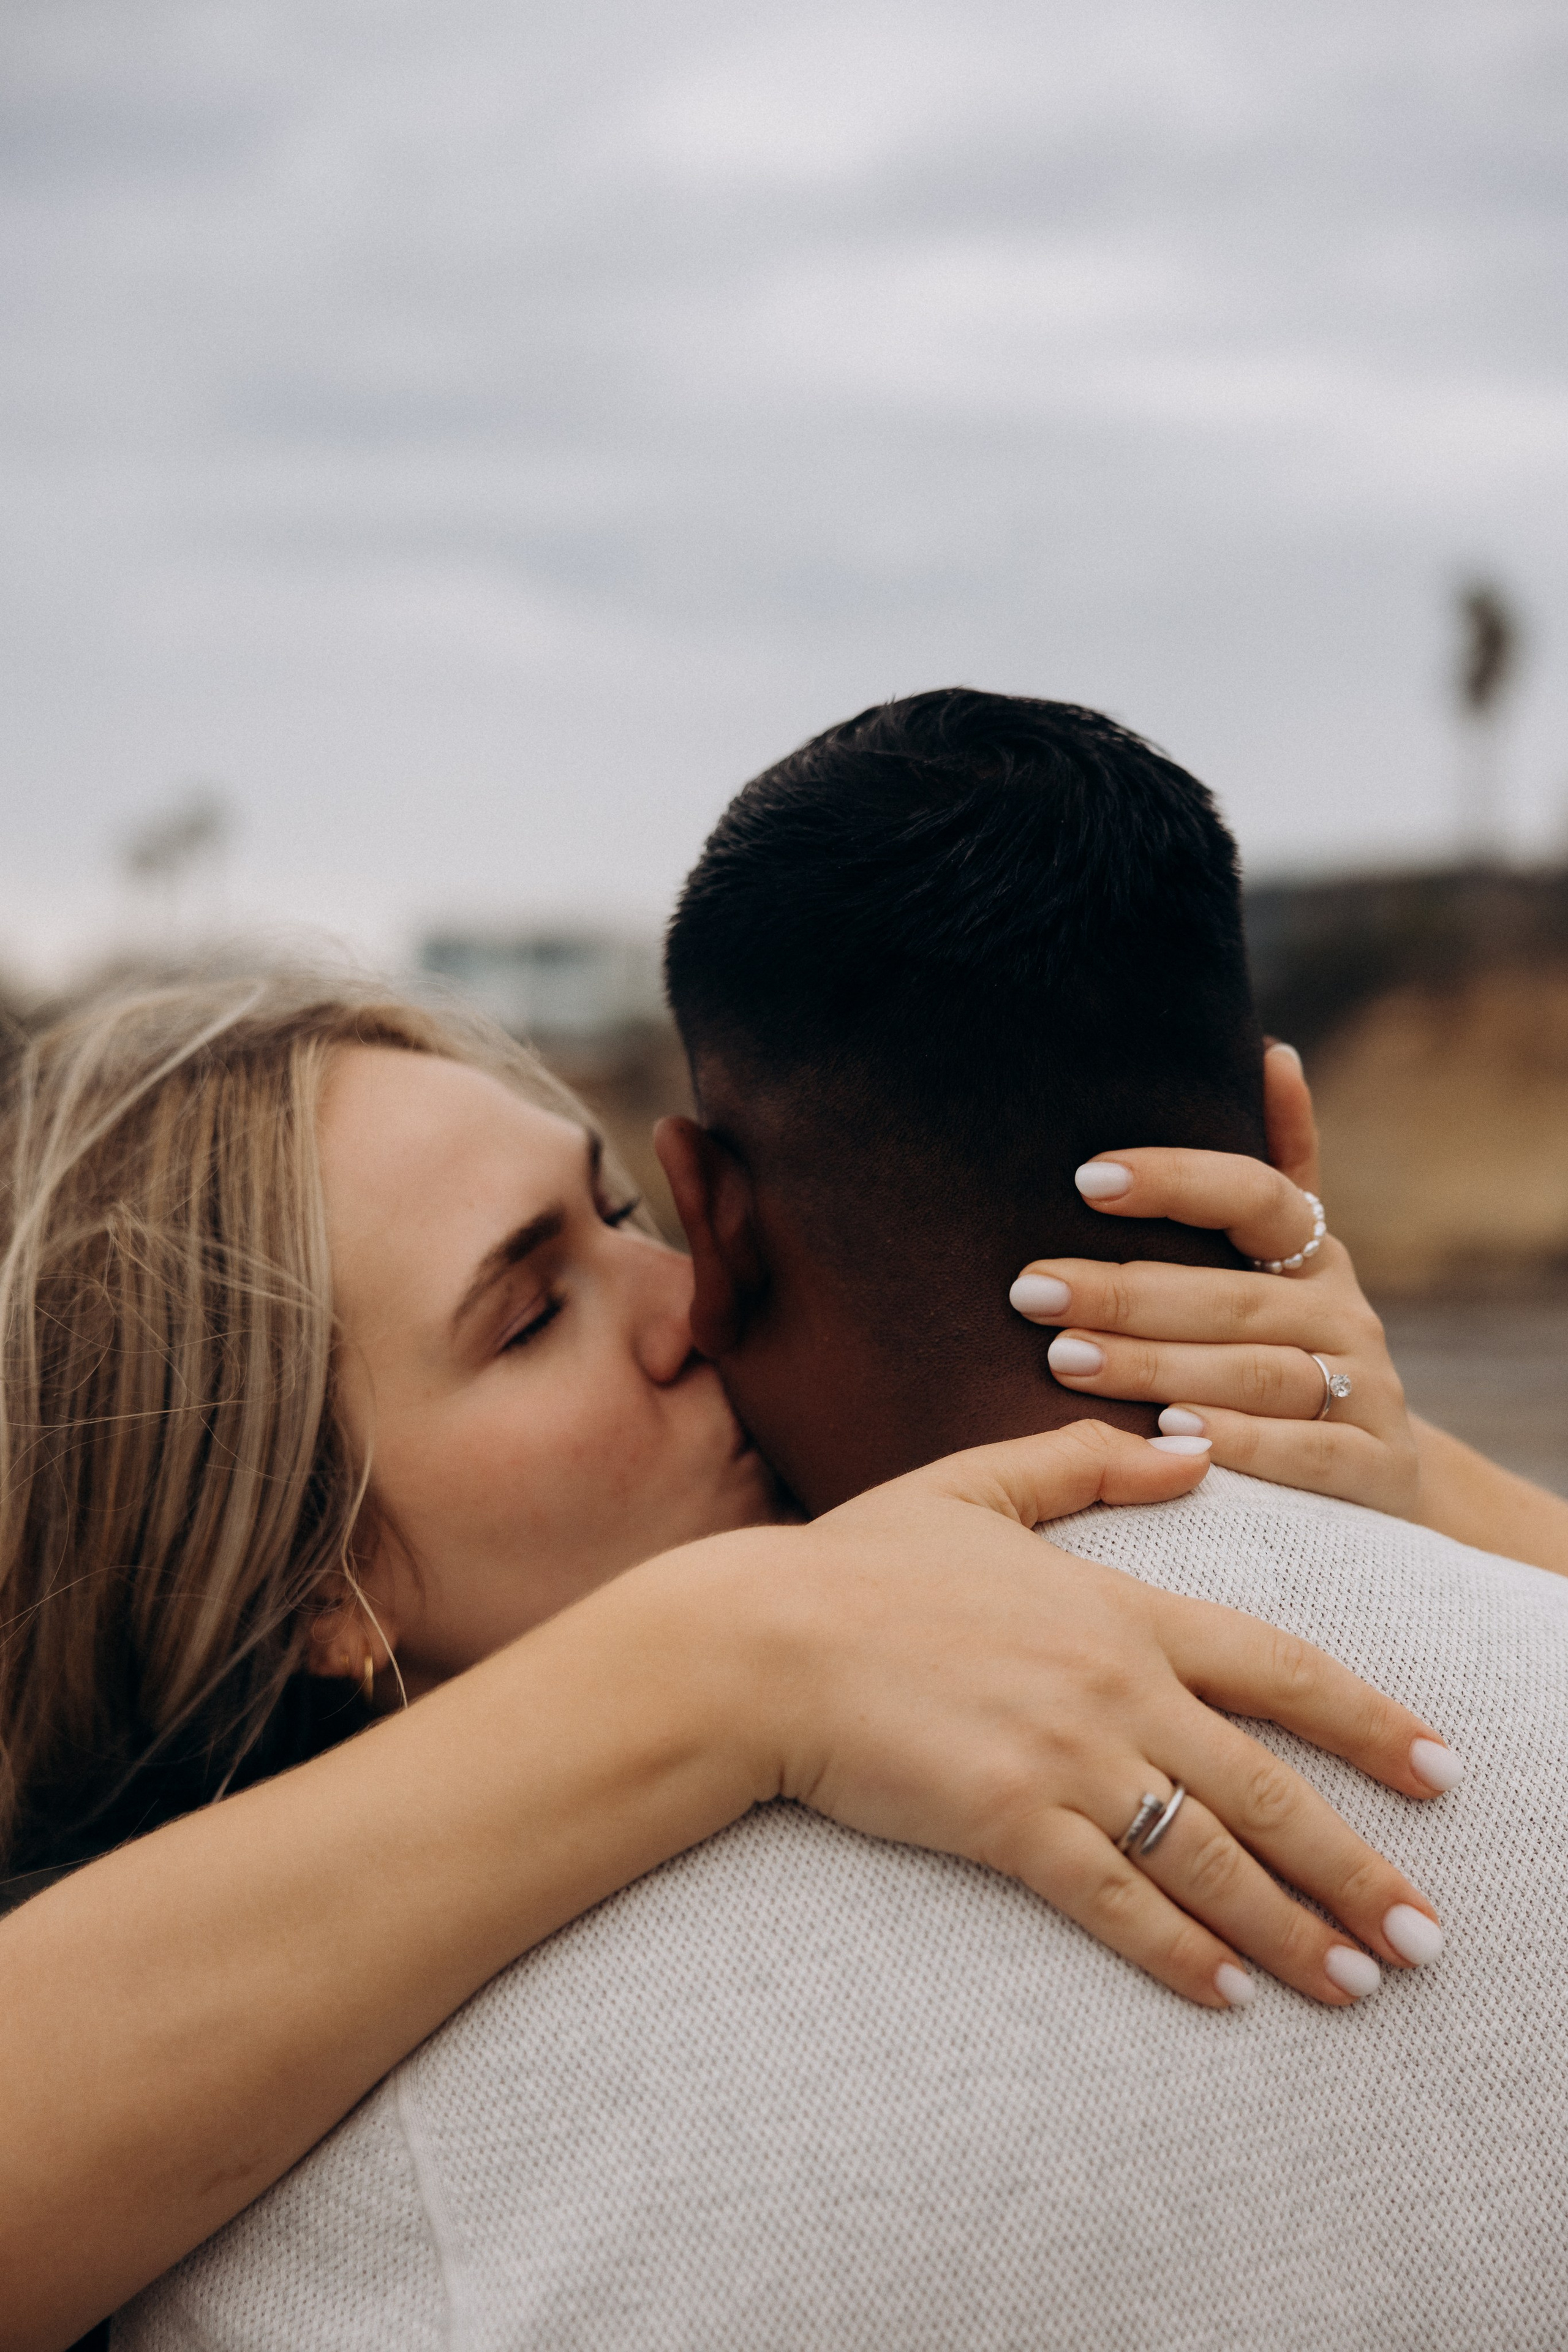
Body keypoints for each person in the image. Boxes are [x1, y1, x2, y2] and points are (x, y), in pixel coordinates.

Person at [116, 691, 1568, 2348]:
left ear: (721, 1218)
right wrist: (728, 1662)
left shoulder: (339, 2229)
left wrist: (1424, 1479)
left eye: (625, 1217)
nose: (678, 1305)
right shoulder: (226, 2156)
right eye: (527, 1315)